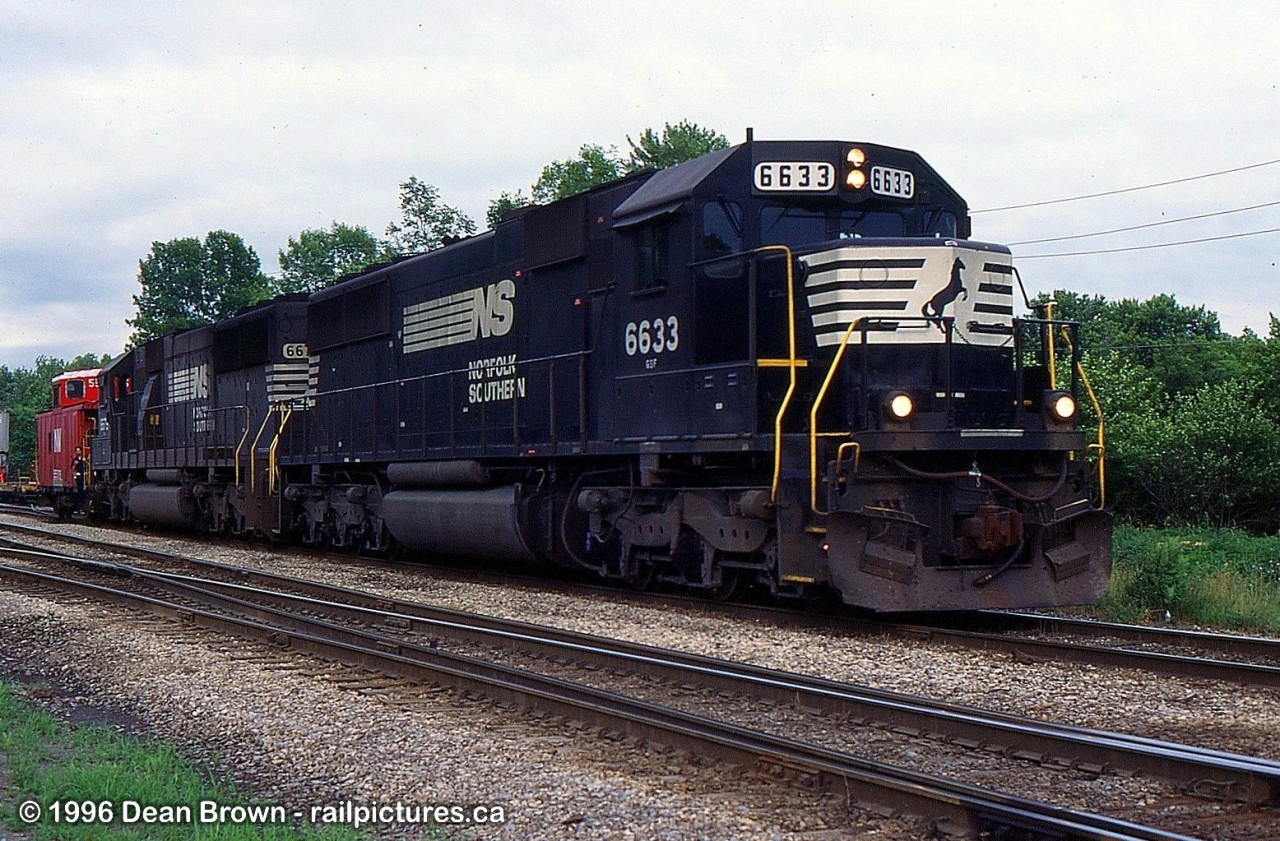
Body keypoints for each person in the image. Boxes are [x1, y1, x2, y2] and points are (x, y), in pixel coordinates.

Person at [71, 446, 87, 514]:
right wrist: (75, 464)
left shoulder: (84, 458)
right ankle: (79, 507)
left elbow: (88, 464)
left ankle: (82, 507)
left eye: (79, 451)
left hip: (85, 476)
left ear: (81, 451)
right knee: (79, 491)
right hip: (79, 477)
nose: (78, 452)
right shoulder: (75, 459)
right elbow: (72, 468)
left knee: (83, 492)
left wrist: (85, 461)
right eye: (77, 451)